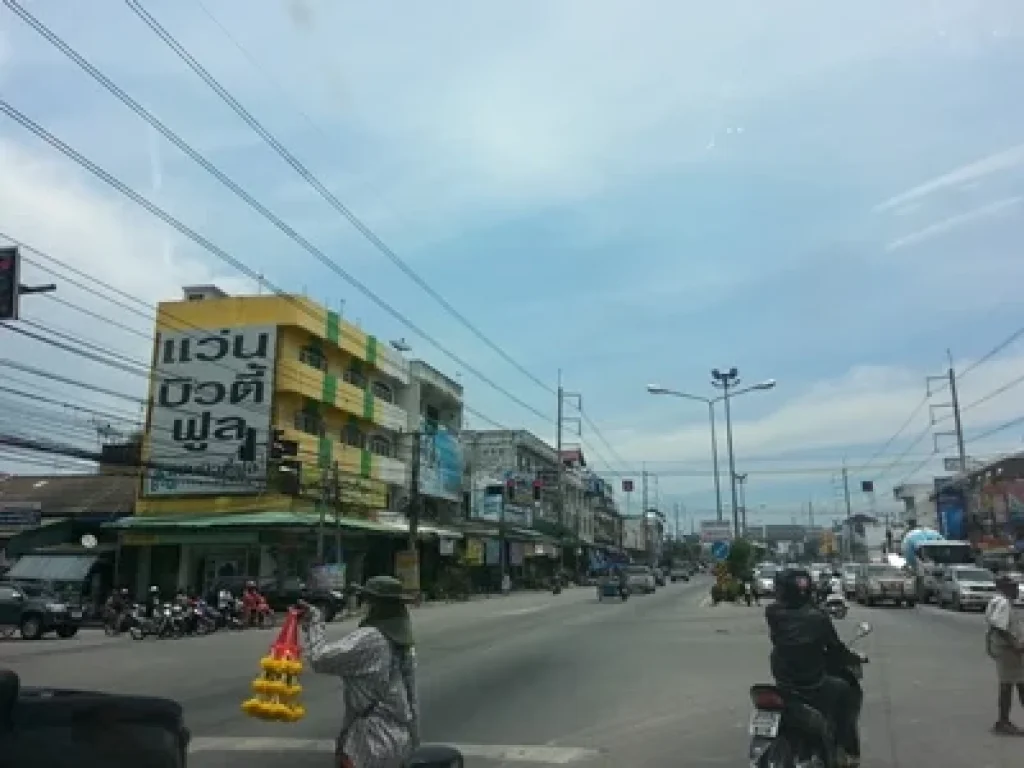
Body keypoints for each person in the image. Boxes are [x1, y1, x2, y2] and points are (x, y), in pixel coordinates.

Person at [299, 575, 420, 768]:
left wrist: (316, 621)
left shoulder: (370, 638)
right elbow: (412, 698)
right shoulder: (402, 644)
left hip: (370, 740)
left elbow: (319, 659)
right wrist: (415, 738)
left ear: (375, 605)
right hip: (400, 736)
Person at [766, 568, 864, 767]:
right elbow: (835, 648)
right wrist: (853, 658)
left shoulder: (772, 613)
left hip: (784, 681)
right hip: (811, 683)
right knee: (845, 691)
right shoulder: (817, 617)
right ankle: (847, 751)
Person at [984, 573, 1024, 735]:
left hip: (1002, 649)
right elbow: (1001, 628)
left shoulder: (996, 601)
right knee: (1013, 685)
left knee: (1011, 684)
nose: (1016, 590)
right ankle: (1003, 722)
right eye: (1013, 587)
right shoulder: (1003, 603)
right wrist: (1017, 645)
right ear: (1005, 588)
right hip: (1008, 650)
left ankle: (1003, 721)